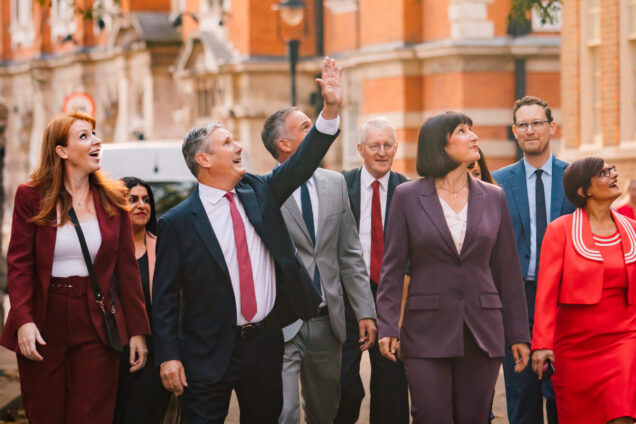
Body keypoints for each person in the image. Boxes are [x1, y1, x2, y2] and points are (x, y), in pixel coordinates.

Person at [152, 57, 343, 424]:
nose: (238, 146)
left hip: (264, 344)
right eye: (227, 143)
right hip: (206, 350)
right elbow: (163, 299)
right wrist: (169, 355)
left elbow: (302, 161)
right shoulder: (177, 223)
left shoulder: (262, 191)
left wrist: (330, 110)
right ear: (204, 159)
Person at [376, 111, 531, 423]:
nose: (473, 137)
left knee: (475, 418)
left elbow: (508, 272)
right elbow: (392, 269)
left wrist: (518, 334)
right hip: (425, 332)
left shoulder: (494, 196)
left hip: (482, 329)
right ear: (440, 145)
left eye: (471, 130)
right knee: (430, 416)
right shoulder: (406, 196)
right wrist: (388, 325)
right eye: (462, 131)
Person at [0, 112, 150, 424]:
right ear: (61, 151)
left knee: (92, 415)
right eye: (84, 136)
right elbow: (19, 265)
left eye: (94, 134)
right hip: (44, 318)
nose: (96, 141)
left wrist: (137, 330)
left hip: (96, 318)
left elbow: (126, 270)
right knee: (46, 413)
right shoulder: (31, 196)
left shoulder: (114, 197)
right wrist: (23, 320)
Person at [260, 107, 377, 424]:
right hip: (282, 322)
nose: (315, 133)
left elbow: (349, 252)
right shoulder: (264, 190)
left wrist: (365, 310)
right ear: (284, 144)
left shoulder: (335, 183)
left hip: (328, 321)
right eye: (306, 127)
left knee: (325, 410)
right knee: (285, 412)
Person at [532, 158, 636, 424]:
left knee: (622, 414)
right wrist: (542, 345)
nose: (614, 175)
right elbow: (546, 293)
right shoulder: (560, 230)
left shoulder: (633, 229)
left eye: (613, 169)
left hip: (624, 338)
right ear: (584, 190)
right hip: (575, 347)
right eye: (603, 172)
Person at [492, 95, 575, 424]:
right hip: (517, 306)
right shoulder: (496, 182)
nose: (530, 130)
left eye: (537, 122)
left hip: (564, 305)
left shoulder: (575, 178)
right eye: (523, 124)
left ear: (551, 127)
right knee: (522, 399)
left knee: (562, 397)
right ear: (515, 131)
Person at [335, 117, 409, 424]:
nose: (382, 152)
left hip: (392, 298)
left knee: (391, 389)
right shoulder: (339, 186)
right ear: (360, 149)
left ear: (395, 148)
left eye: (388, 145)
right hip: (348, 298)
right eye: (374, 146)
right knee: (344, 387)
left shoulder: (409, 190)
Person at [113, 177, 171, 424]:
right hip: (112, 355)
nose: (141, 205)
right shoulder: (105, 250)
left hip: (154, 354)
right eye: (133, 200)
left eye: (146, 200)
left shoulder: (163, 248)